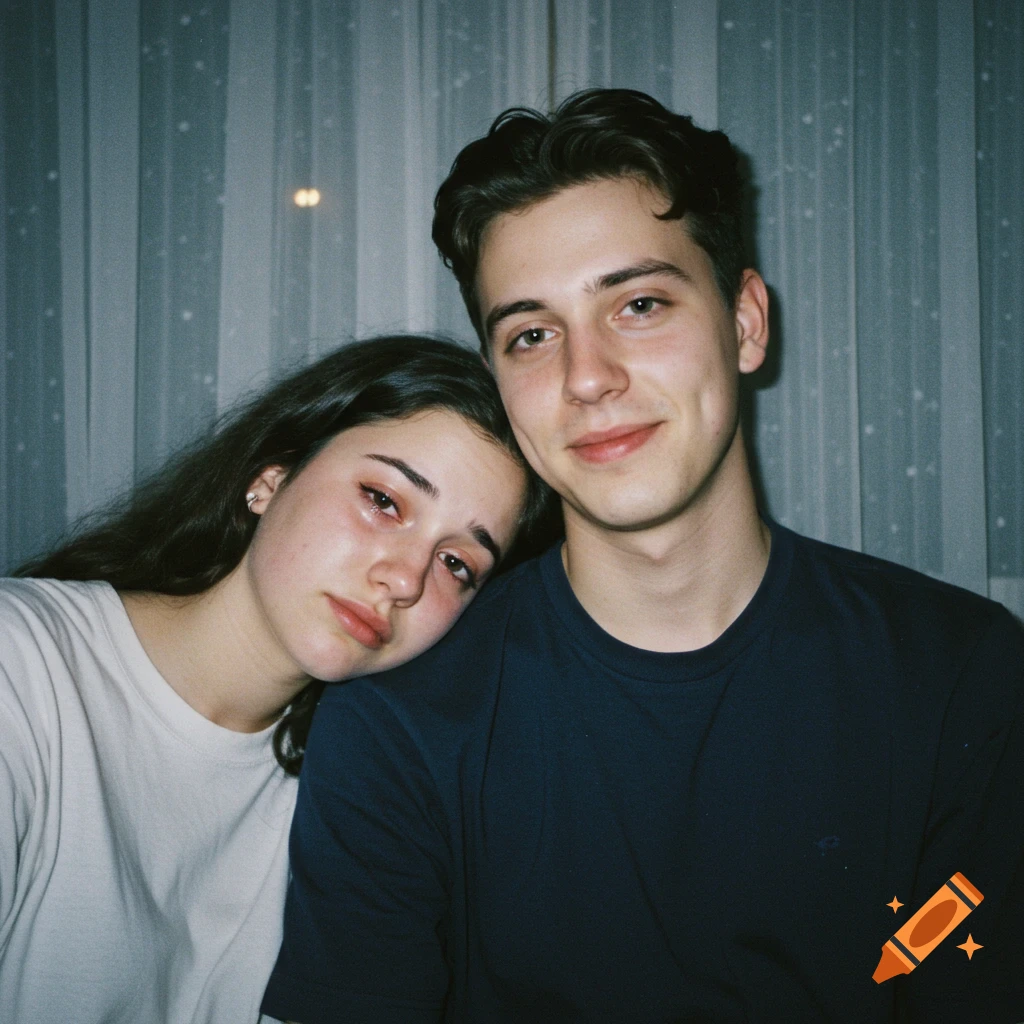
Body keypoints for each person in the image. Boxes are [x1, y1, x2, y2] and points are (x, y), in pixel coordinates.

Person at [261, 92, 1024, 1024]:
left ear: (745, 323)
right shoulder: (399, 724)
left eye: (640, 304)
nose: (587, 377)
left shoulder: (960, 675)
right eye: (532, 334)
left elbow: (954, 967)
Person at [0, 334, 550, 1024]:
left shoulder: (361, 795)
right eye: (384, 500)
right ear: (271, 477)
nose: (405, 579)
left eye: (457, 564)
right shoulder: (21, 670)